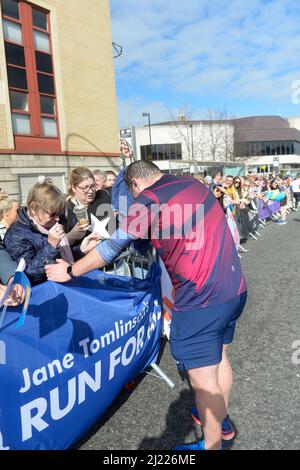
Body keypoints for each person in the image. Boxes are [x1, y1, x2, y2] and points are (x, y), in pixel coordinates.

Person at [46, 161, 247, 451]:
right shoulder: (193, 184)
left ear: (135, 185)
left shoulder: (148, 199)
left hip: (201, 299)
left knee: (203, 380)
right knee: (220, 359)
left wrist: (72, 270)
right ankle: (221, 422)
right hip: (235, 286)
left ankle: (212, 444)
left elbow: (112, 247)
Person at [4, 180, 98, 284]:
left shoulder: (48, 223)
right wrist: (51, 245)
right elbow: (28, 274)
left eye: (60, 213)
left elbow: (61, 258)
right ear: (33, 208)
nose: (57, 219)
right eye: (52, 214)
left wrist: (81, 250)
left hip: (66, 285)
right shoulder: (16, 234)